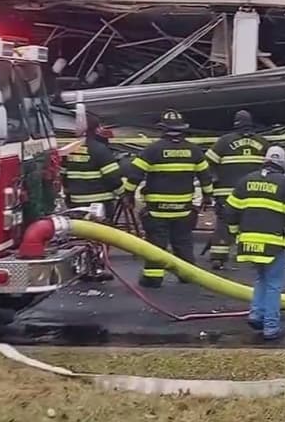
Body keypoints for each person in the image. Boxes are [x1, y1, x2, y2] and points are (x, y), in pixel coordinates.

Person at [224, 145, 285, 341]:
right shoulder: (284, 184)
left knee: (261, 278)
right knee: (273, 284)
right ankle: (271, 327)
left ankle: (256, 315)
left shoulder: (246, 181)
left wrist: (235, 233)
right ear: (282, 163)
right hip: (272, 245)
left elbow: (229, 212)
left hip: (248, 243)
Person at [123, 109, 212, 288]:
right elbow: (206, 177)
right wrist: (207, 197)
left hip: (157, 211)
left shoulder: (152, 150)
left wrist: (128, 195)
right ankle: (187, 275)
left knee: (156, 245)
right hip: (183, 209)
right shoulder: (194, 151)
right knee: (183, 242)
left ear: (163, 129)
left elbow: (134, 176)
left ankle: (153, 278)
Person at [60, 115, 126, 280]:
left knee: (81, 237)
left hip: (76, 202)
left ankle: (82, 269)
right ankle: (96, 269)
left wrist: (69, 194)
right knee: (100, 237)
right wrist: (123, 194)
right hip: (100, 203)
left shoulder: (70, 149)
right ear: (97, 129)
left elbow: (62, 175)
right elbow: (112, 178)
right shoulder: (100, 150)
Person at [205, 110, 268, 269]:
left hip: (226, 194)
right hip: (255, 192)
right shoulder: (263, 143)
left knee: (225, 223)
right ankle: (252, 256)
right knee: (252, 224)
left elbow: (207, 165)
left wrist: (211, 186)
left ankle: (218, 257)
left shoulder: (224, 142)